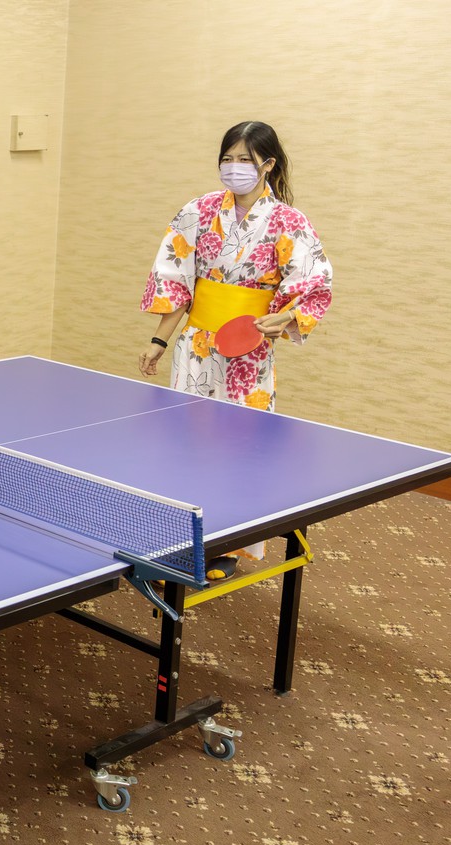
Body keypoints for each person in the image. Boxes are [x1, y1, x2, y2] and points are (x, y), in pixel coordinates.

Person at [137, 121, 332, 580]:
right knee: (188, 443)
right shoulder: (198, 212)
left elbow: (315, 282)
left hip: (248, 355)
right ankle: (181, 540)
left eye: (245, 159)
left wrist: (282, 317)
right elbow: (178, 282)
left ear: (268, 164)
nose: (235, 167)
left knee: (239, 448)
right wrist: (158, 341)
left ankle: (228, 542)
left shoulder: (288, 221)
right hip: (196, 348)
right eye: (228, 158)